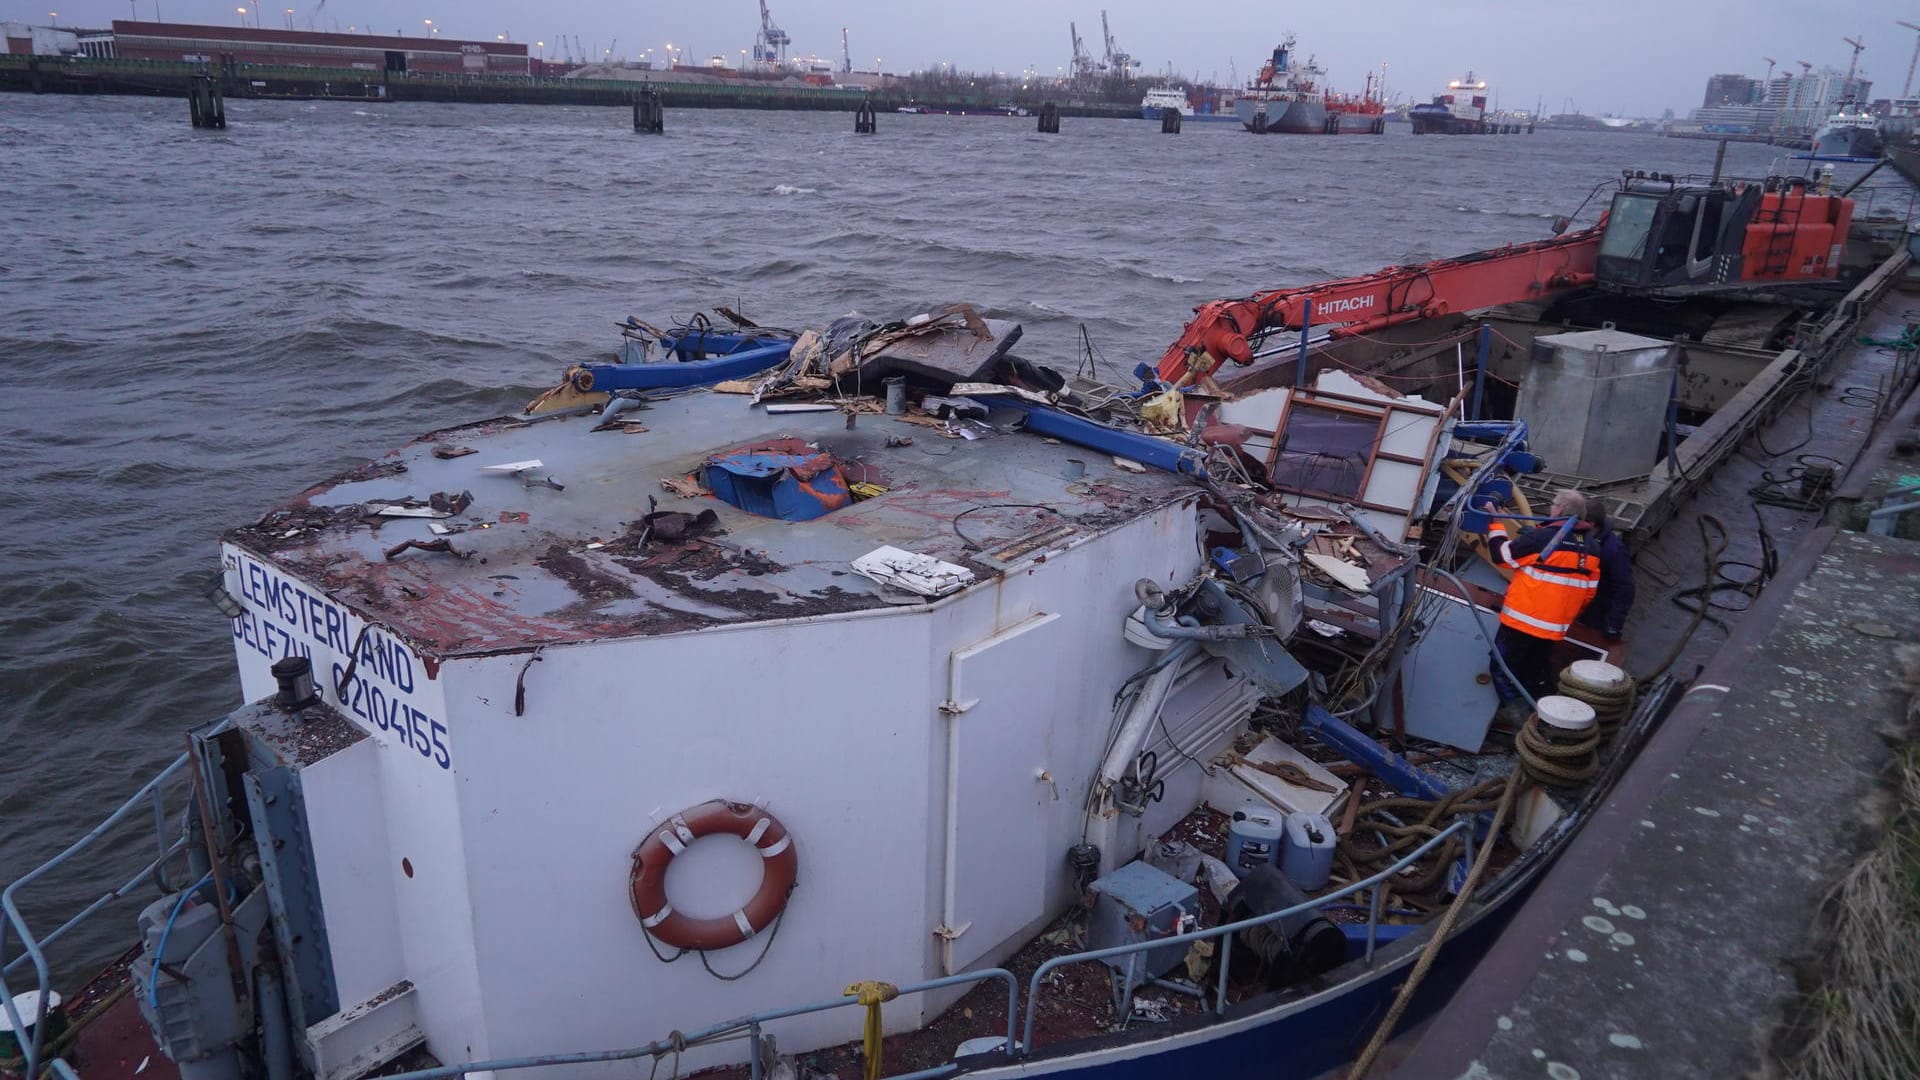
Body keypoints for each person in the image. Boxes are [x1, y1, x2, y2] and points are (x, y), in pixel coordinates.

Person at [1481, 490, 1604, 723]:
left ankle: (1520, 719)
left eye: (1553, 504)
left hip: (1522, 621)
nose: (1551, 508)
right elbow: (1589, 592)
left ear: (1559, 510)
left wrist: (1495, 523)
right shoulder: (1592, 548)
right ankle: (1545, 715)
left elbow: (1500, 555)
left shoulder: (1543, 539)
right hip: (1554, 626)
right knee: (1532, 670)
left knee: (1502, 669)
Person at [1576, 502, 1635, 642]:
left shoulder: (1613, 550)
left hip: (1597, 612)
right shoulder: (1580, 538)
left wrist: (1614, 625)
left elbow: (1624, 588)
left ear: (1590, 523)